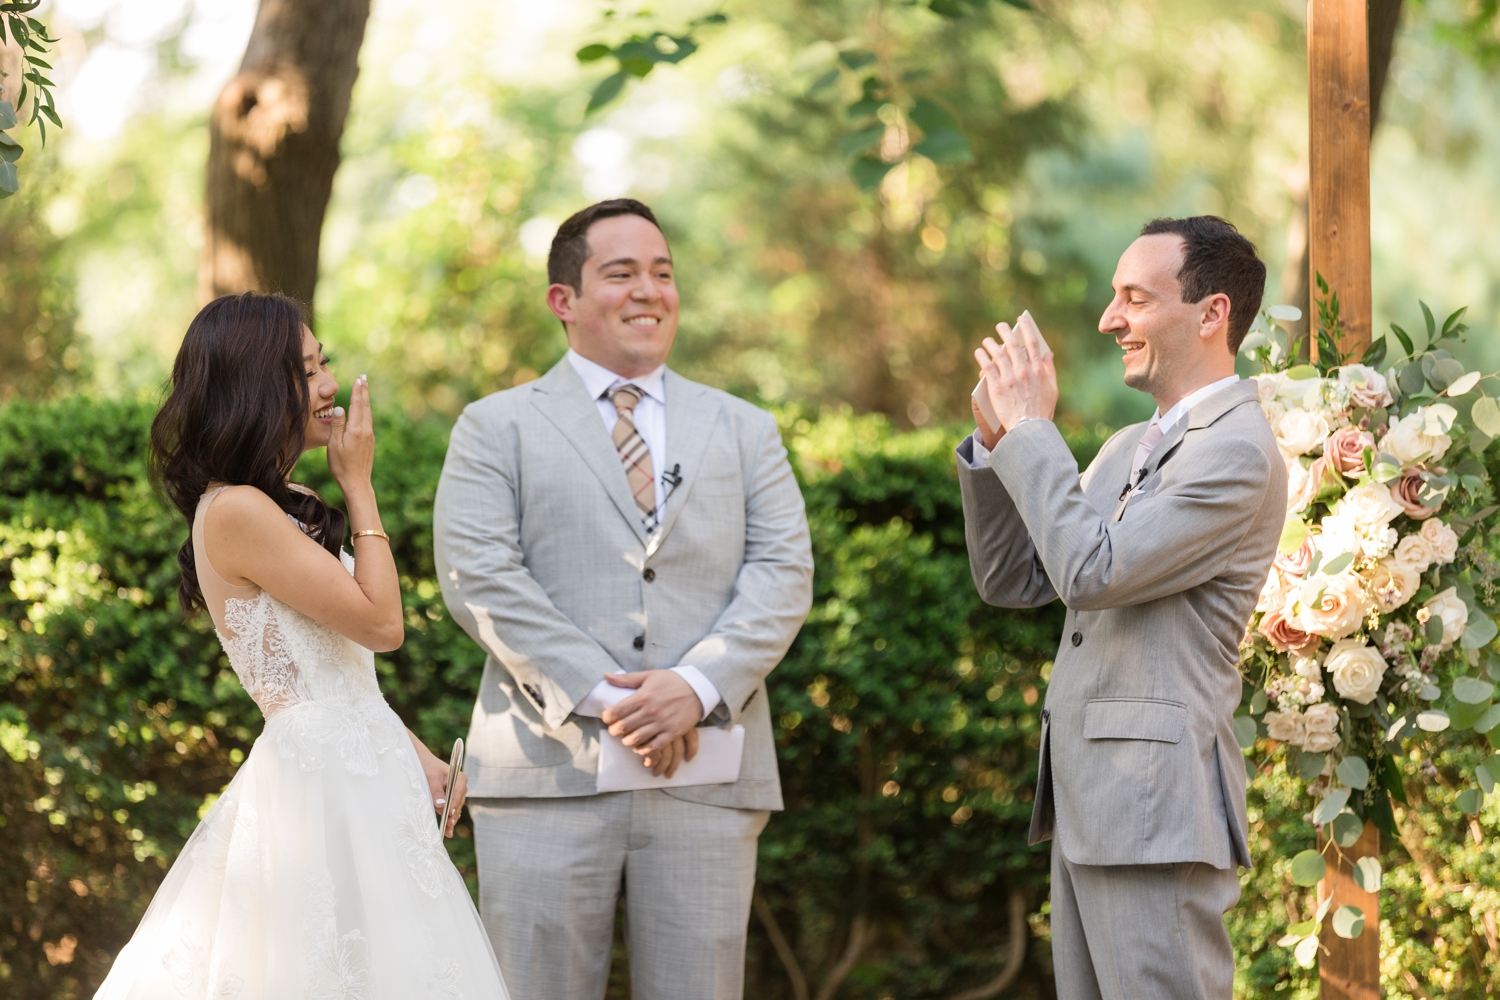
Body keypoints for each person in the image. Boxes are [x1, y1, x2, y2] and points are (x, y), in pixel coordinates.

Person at [433, 198, 813, 1000]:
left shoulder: (747, 429)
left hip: (705, 775)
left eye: (664, 273)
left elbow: (783, 572)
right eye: (622, 273)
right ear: (563, 300)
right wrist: (617, 701)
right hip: (546, 777)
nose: (650, 291)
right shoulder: (492, 427)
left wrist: (695, 688)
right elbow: (480, 575)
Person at [95, 293, 508, 999]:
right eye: (305, 371)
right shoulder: (237, 512)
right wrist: (361, 487)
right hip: (316, 792)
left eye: (325, 365)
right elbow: (382, 625)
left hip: (359, 773)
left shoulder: (279, 499)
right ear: (253, 385)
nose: (326, 387)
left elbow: (330, 670)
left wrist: (414, 756)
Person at [957, 217, 1286, 999]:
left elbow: (1091, 571)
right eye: (1114, 298)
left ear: (1212, 315)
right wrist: (996, 442)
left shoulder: (1235, 451)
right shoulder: (1123, 448)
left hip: (1153, 809)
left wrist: (1035, 432)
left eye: (1133, 299)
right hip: (1088, 803)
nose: (1109, 321)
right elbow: (1013, 578)